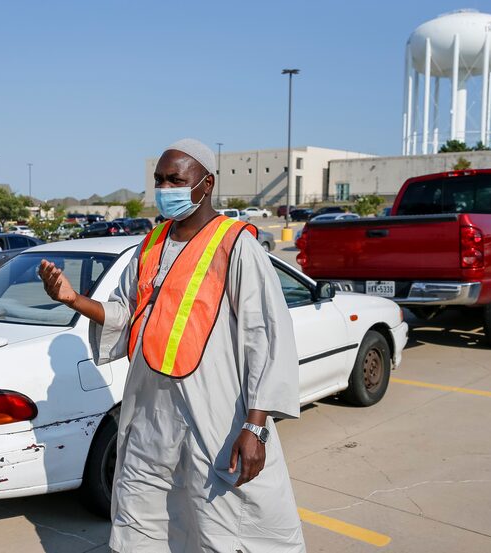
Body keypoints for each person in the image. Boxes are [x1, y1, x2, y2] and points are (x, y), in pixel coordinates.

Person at [39, 139, 304, 552]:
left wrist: (255, 427)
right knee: (146, 518)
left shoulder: (236, 246)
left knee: (222, 521)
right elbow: (126, 314)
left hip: (214, 417)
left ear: (206, 183)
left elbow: (265, 338)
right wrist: (73, 299)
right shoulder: (150, 244)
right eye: (160, 180)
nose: (165, 188)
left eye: (175, 179)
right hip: (150, 415)